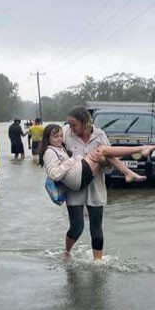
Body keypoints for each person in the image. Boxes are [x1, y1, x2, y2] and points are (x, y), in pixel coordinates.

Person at [60, 106, 116, 259]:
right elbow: (54, 150)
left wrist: (103, 160)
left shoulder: (100, 136)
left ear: (85, 123)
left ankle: (97, 261)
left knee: (96, 228)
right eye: (69, 124)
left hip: (95, 186)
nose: (71, 127)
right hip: (74, 186)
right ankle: (67, 252)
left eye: (74, 124)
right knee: (77, 227)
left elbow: (110, 167)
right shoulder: (66, 133)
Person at [39, 123, 155, 191]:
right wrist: (73, 160)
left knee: (103, 152)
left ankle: (128, 172)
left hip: (77, 178)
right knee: (103, 149)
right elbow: (54, 174)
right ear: (47, 139)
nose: (59, 139)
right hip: (75, 178)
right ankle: (140, 149)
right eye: (55, 137)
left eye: (60, 136)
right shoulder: (49, 152)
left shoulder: (60, 148)